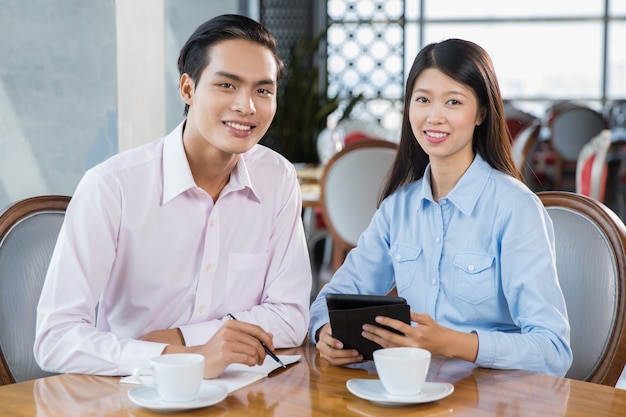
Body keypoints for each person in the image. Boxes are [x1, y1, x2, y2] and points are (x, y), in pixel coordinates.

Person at [35, 14, 312, 379]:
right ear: (187, 89)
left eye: (263, 90)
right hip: (129, 394)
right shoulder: (112, 187)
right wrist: (176, 356)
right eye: (227, 85)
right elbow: (56, 338)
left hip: (243, 394)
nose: (248, 106)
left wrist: (184, 339)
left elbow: (290, 316)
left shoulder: (277, 178)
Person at [309, 38, 572, 376]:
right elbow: (329, 302)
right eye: (422, 100)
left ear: (481, 113)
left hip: (488, 400)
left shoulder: (515, 208)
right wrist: (324, 333)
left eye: (453, 102)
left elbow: (553, 351)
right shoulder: (397, 209)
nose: (434, 117)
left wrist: (450, 343)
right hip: (402, 393)